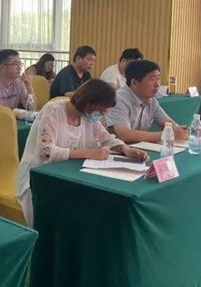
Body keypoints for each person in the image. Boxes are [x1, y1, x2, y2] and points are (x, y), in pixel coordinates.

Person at [16, 80, 148, 226]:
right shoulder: (52, 111)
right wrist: (89, 153)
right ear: (90, 103)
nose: (101, 116)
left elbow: (106, 138)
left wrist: (125, 149)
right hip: (38, 177)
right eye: (101, 112)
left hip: (71, 175)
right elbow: (46, 152)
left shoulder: (87, 117)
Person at [104, 60, 188, 143]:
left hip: (136, 147)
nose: (157, 84)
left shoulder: (151, 100)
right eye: (152, 79)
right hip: (113, 148)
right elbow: (125, 135)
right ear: (134, 83)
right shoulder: (119, 99)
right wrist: (166, 135)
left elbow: (167, 123)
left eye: (158, 79)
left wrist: (178, 130)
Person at [0, 50, 34, 118]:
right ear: (3, 67)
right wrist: (15, 114)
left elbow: (30, 109)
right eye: (15, 64)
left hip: (10, 120)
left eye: (20, 64)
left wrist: (29, 86)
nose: (19, 68)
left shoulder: (18, 82)